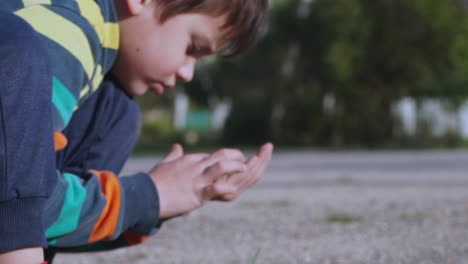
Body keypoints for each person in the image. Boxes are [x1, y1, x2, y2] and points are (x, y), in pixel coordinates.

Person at [0, 0, 271, 263]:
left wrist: (156, 204)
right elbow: (25, 205)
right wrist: (149, 195)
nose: (188, 73)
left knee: (115, 110)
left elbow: (39, 218)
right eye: (193, 47)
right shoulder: (66, 30)